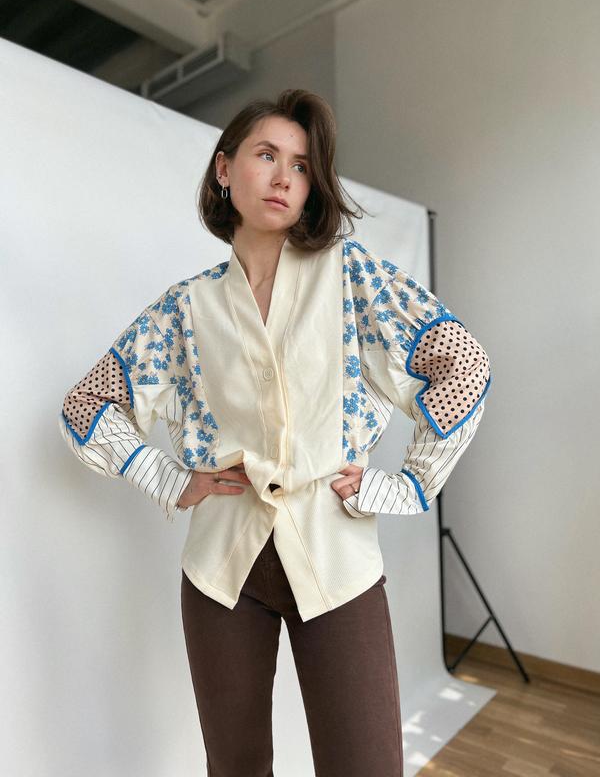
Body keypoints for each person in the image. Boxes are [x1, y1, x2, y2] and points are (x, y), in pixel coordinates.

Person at [58, 88, 491, 777]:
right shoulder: (184, 309)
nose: (285, 176)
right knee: (236, 767)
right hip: (221, 574)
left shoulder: (350, 277)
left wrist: (410, 485)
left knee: (365, 764)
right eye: (267, 155)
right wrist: (165, 477)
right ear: (224, 169)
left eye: (301, 164)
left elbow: (462, 364)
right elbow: (86, 406)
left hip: (337, 563)